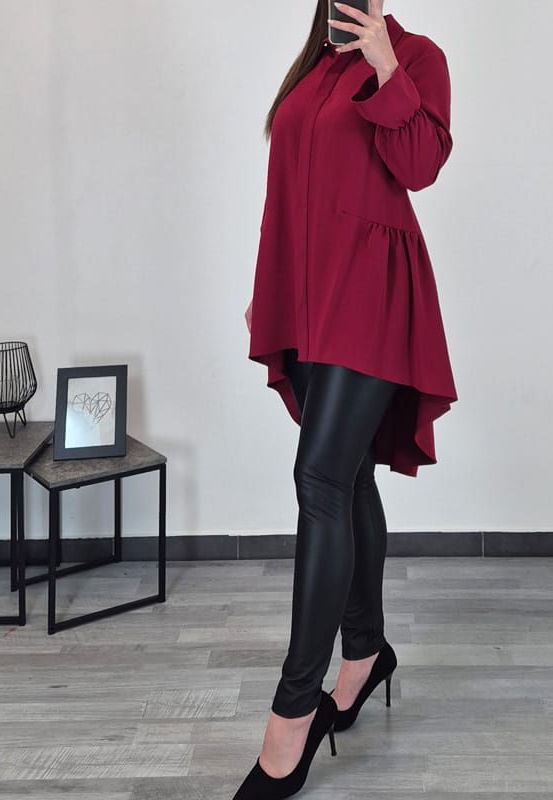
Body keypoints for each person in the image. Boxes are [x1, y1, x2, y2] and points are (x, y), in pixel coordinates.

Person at [235, 1, 456, 797]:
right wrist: (268, 291)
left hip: (372, 293)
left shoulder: (418, 55)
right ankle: (365, 654)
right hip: (307, 295)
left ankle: (294, 710)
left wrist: (386, 63)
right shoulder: (311, 67)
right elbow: (288, 194)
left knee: (319, 479)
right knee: (348, 474)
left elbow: (420, 165)